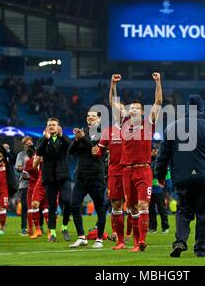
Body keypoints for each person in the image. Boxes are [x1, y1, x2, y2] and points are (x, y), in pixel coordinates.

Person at [155, 94, 205, 258]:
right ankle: (201, 249)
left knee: (183, 211)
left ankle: (180, 241)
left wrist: (160, 175)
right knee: (203, 213)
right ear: (202, 109)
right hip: (204, 178)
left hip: (182, 178)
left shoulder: (172, 127)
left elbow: (162, 156)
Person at [116, 72, 163, 252]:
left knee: (143, 205)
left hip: (144, 170)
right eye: (132, 108)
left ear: (142, 111)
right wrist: (113, 85)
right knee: (132, 208)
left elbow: (158, 102)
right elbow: (113, 104)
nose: (134, 110)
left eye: (137, 108)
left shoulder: (148, 123)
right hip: (127, 170)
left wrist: (158, 81)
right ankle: (136, 242)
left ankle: (142, 241)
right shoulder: (124, 124)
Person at [91, 74, 128, 250]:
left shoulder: (133, 129)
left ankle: (134, 237)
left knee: (135, 206)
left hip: (130, 171)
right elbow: (99, 151)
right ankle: (117, 236)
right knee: (115, 204)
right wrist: (112, 84)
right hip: (113, 172)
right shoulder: (109, 130)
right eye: (117, 108)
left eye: (122, 108)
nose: (119, 110)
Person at [69, 110, 106, 249]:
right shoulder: (83, 132)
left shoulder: (103, 132)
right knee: (74, 204)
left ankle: (99, 239)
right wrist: (76, 139)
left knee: (100, 207)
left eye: (93, 116)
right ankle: (81, 237)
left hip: (96, 176)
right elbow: (71, 152)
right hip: (81, 176)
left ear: (99, 119)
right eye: (88, 116)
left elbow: (96, 149)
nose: (90, 118)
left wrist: (83, 137)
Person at [36, 118, 71, 242]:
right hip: (49, 178)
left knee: (68, 201)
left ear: (58, 127)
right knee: (52, 206)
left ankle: (64, 227)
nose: (51, 126)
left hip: (63, 176)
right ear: (46, 127)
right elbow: (39, 152)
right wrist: (45, 139)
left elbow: (71, 148)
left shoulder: (63, 139)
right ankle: (52, 233)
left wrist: (63, 136)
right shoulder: (43, 140)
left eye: (53, 125)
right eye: (49, 125)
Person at [15, 136, 34, 236]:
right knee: (25, 206)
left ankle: (39, 227)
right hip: (24, 184)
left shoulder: (36, 154)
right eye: (27, 144)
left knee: (37, 205)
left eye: (30, 144)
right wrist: (27, 167)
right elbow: (17, 167)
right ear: (24, 145)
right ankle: (24, 227)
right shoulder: (21, 155)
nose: (29, 145)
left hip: (35, 183)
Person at [149, 145, 169, 234]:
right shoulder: (148, 161)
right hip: (150, 188)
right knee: (151, 208)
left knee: (161, 208)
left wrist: (165, 187)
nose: (152, 152)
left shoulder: (161, 161)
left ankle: (165, 227)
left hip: (159, 188)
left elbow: (167, 174)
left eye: (153, 150)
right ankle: (153, 227)